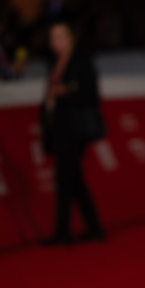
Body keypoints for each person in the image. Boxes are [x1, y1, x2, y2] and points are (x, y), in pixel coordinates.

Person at [40, 20, 106, 245]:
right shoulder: (54, 63)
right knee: (74, 180)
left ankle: (62, 233)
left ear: (71, 38)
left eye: (60, 36)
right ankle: (95, 228)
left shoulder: (80, 61)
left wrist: (66, 90)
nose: (55, 42)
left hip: (75, 130)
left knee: (65, 179)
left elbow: (90, 93)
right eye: (52, 37)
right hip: (59, 127)